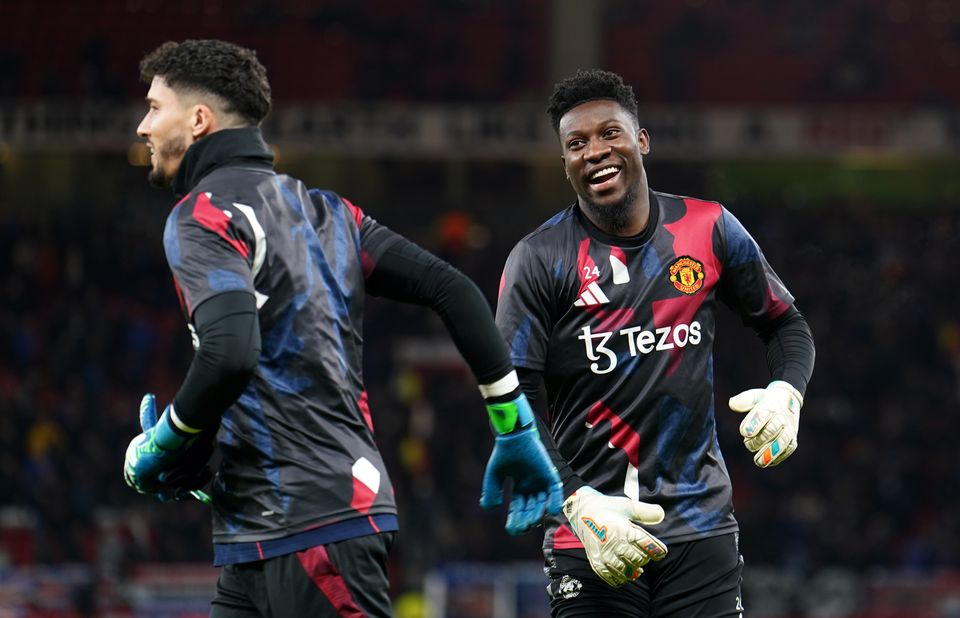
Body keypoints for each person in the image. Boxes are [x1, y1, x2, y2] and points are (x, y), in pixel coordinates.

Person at [121, 39, 562, 617]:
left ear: (199, 120)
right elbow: (452, 290)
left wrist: (167, 441)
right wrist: (512, 424)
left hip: (314, 525)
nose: (142, 127)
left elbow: (230, 354)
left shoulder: (202, 215)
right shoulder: (331, 213)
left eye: (155, 107)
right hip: (253, 533)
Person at [495, 69, 815, 616]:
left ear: (641, 140)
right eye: (577, 143)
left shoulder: (708, 227)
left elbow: (786, 324)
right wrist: (575, 502)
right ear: (565, 163)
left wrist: (788, 391)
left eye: (610, 133)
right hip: (593, 533)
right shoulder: (538, 259)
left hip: (702, 527)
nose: (595, 151)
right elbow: (508, 401)